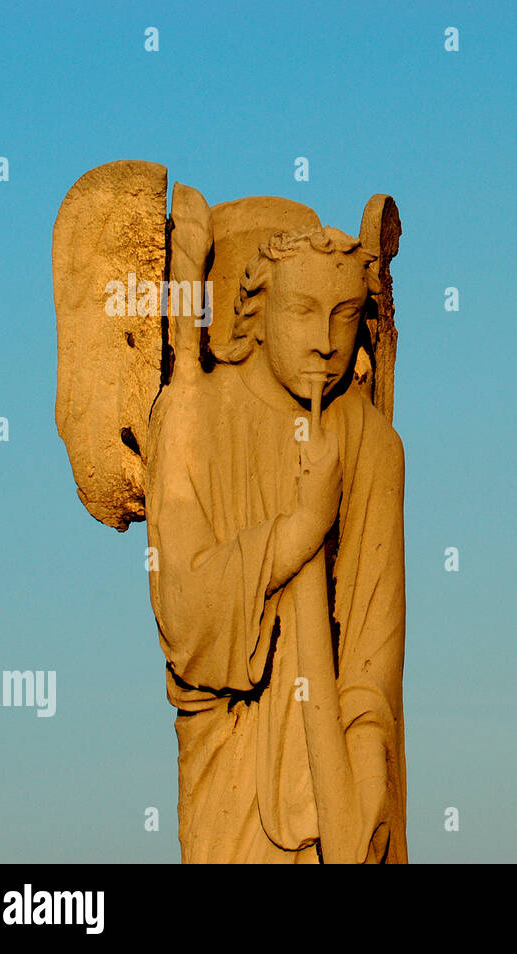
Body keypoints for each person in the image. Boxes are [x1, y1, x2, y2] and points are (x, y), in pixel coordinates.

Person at [145, 226, 407, 863]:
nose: (325, 342)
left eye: (345, 316)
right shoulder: (193, 417)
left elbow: (375, 640)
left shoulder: (372, 444)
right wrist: (299, 528)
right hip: (231, 775)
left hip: (339, 780)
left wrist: (369, 766)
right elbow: (185, 618)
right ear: (257, 314)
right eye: (303, 312)